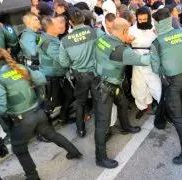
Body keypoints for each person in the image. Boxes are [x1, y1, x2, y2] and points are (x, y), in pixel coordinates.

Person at [0, 48, 82, 180]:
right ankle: (74, 152)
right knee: (52, 135)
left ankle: (33, 177)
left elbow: (1, 108)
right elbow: (41, 80)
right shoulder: (20, 67)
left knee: (19, 149)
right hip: (38, 113)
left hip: (22, 120)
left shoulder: (0, 78)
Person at [93, 18, 151, 168]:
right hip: (105, 87)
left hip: (108, 82)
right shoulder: (122, 50)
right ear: (125, 31)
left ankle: (125, 127)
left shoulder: (103, 38)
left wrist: (125, 42)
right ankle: (100, 158)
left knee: (123, 104)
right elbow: (144, 60)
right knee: (102, 124)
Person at [151, 8, 182, 165]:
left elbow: (155, 68)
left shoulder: (157, 42)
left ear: (157, 23)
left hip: (172, 82)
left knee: (176, 115)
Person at [59, 8, 97, 137]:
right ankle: (103, 127)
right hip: (96, 73)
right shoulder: (92, 32)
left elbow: (64, 63)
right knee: (99, 101)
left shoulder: (65, 40)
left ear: (70, 22)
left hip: (80, 76)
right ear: (82, 19)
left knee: (80, 103)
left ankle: (80, 130)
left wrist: (74, 63)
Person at [129, 6, 162, 119]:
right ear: (137, 19)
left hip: (152, 63)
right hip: (137, 63)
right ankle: (143, 107)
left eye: (144, 19)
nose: (142, 22)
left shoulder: (155, 28)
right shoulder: (132, 30)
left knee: (156, 87)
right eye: (140, 20)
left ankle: (162, 107)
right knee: (138, 87)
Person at [38, 16, 71, 123]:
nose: (61, 26)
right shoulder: (48, 42)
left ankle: (63, 117)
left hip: (59, 75)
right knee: (50, 104)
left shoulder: (53, 39)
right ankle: (43, 129)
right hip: (52, 77)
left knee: (69, 95)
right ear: (50, 27)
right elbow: (62, 59)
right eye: (57, 24)